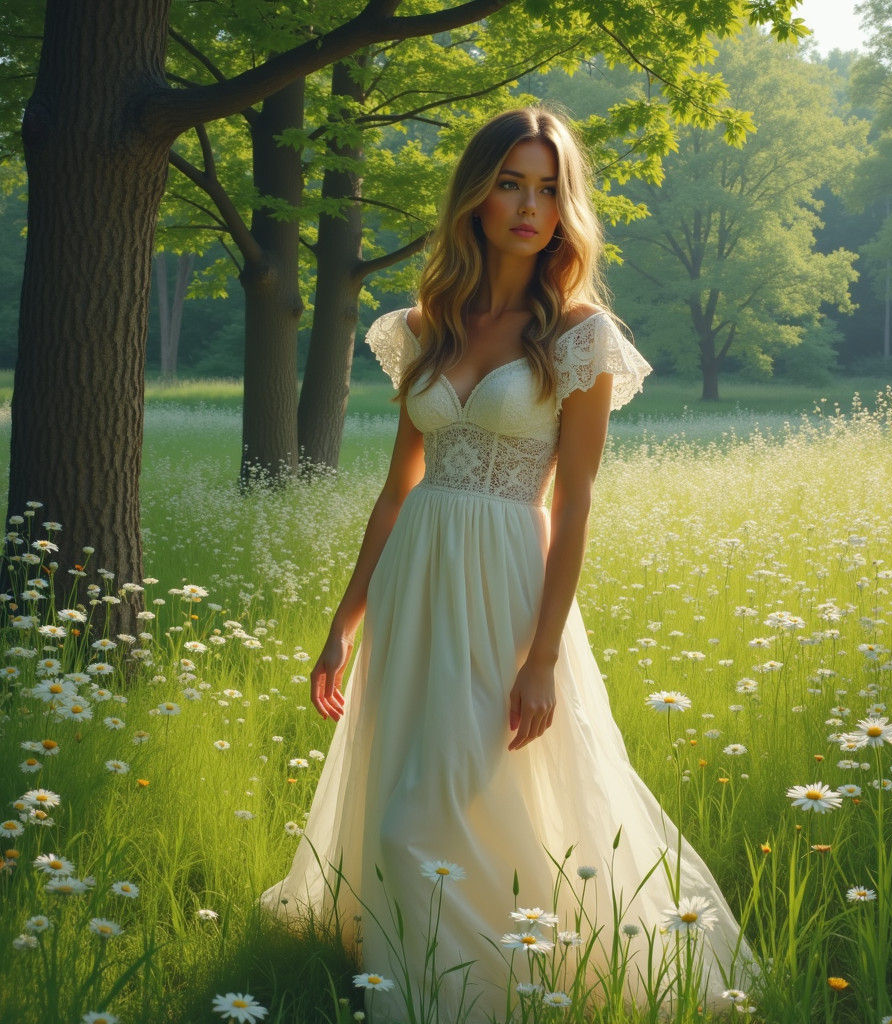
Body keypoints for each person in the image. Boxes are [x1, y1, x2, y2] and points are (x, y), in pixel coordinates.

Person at [261, 107, 751, 1020]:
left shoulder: (577, 334)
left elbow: (576, 503)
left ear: (567, 207)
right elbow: (397, 489)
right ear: (477, 195)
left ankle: (445, 1001)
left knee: (435, 806)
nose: (531, 205)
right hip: (416, 583)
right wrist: (343, 623)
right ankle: (427, 964)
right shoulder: (425, 326)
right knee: (410, 782)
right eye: (512, 182)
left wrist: (542, 656)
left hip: (506, 589)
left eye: (549, 187)